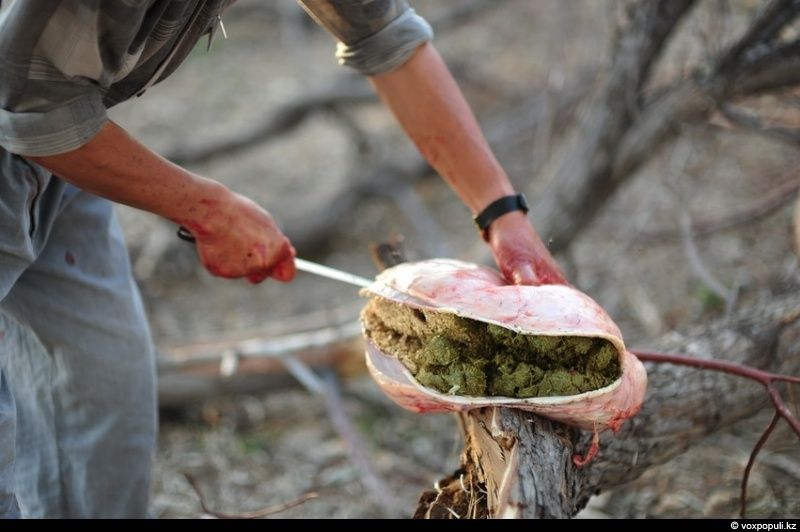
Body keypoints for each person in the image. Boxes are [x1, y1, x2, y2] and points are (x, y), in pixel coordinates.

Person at [0, 0, 565, 518]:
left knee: (104, 407)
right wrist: (207, 208)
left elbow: (383, 32)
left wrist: (502, 213)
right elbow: (29, 102)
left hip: (60, 152)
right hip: (35, 125)